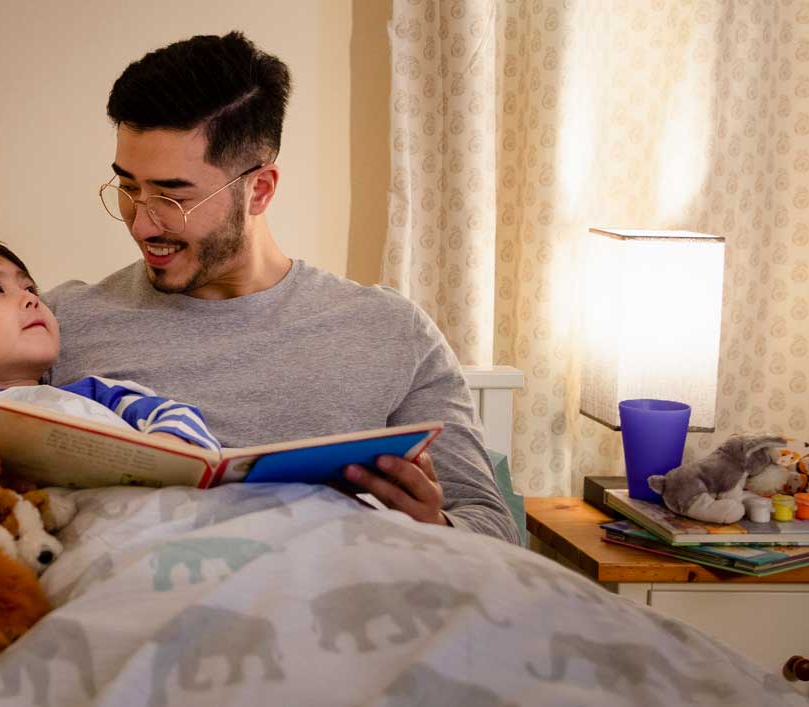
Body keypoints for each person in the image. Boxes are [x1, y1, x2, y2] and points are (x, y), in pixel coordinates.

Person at [46, 31, 519, 542]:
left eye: (172, 197)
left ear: (260, 190)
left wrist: (435, 525)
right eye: (127, 187)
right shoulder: (55, 324)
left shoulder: (390, 332)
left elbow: (493, 527)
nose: (141, 224)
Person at [0, 237, 222, 471]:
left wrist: (166, 443)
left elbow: (175, 413)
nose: (31, 299)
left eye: (30, 288)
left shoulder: (93, 393)